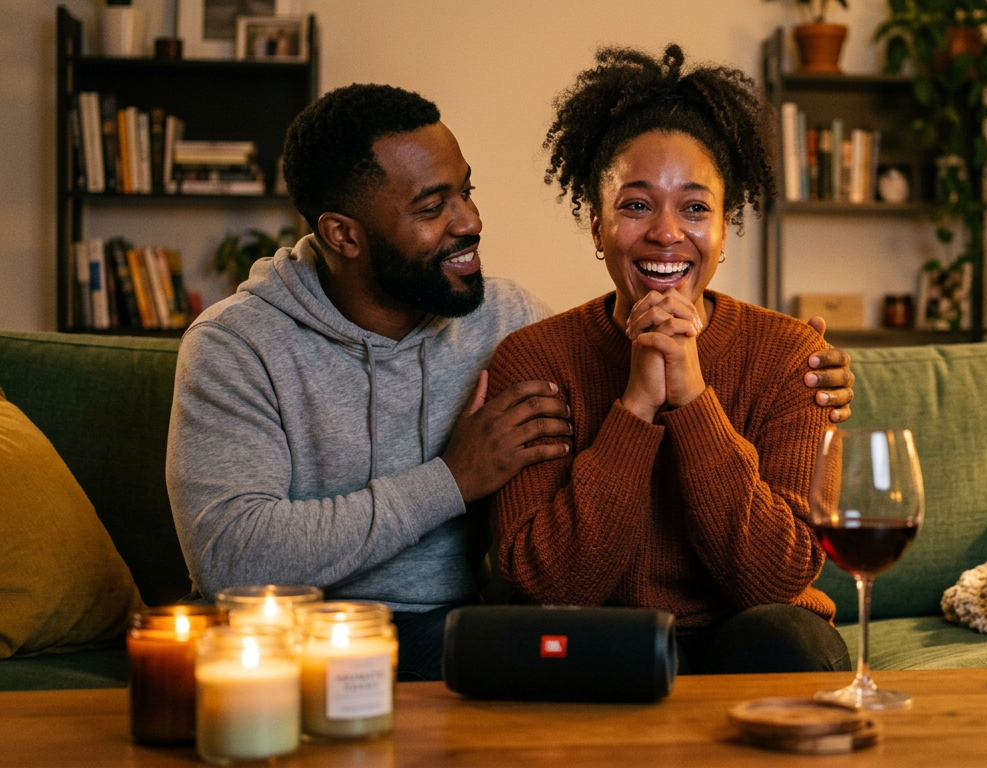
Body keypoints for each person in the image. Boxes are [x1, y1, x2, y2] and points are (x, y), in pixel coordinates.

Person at [166, 83, 855, 680]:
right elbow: (233, 558)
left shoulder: (506, 319)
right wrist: (452, 478)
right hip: (300, 638)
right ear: (344, 235)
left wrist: (752, 382)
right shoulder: (237, 346)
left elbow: (618, 351)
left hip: (464, 630)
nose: (471, 220)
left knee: (670, 649)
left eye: (466, 190)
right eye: (434, 206)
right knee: (573, 655)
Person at [489, 45, 852, 674]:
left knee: (783, 640)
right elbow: (549, 587)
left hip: (754, 639)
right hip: (605, 644)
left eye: (694, 207)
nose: (665, 232)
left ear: (724, 226)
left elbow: (775, 579)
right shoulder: (536, 358)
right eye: (635, 205)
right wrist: (636, 403)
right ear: (596, 222)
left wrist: (693, 398)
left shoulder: (794, 356)